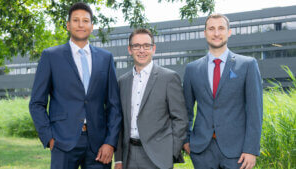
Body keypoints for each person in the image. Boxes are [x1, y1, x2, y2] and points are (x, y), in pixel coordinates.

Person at [29, 2, 122, 169]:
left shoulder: (105, 58)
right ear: (68, 25)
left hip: (99, 145)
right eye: (76, 20)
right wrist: (49, 138)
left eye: (85, 21)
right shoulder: (51, 56)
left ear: (92, 26)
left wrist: (110, 142)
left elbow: (114, 105)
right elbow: (36, 103)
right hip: (62, 142)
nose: (81, 24)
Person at [183, 14, 263, 169]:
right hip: (202, 151)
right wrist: (186, 140)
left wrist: (251, 149)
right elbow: (185, 110)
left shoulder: (247, 65)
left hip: (237, 152)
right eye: (211, 29)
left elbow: (255, 111)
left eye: (221, 28)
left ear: (229, 32)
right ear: (204, 33)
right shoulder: (192, 69)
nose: (216, 33)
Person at [114, 28, 188, 169]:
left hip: (158, 157)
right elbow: (119, 123)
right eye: (136, 46)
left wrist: (170, 153)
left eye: (146, 46)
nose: (141, 50)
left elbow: (180, 119)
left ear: (153, 49)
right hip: (129, 156)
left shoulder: (169, 78)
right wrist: (118, 159)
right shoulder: (122, 82)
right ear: (130, 50)